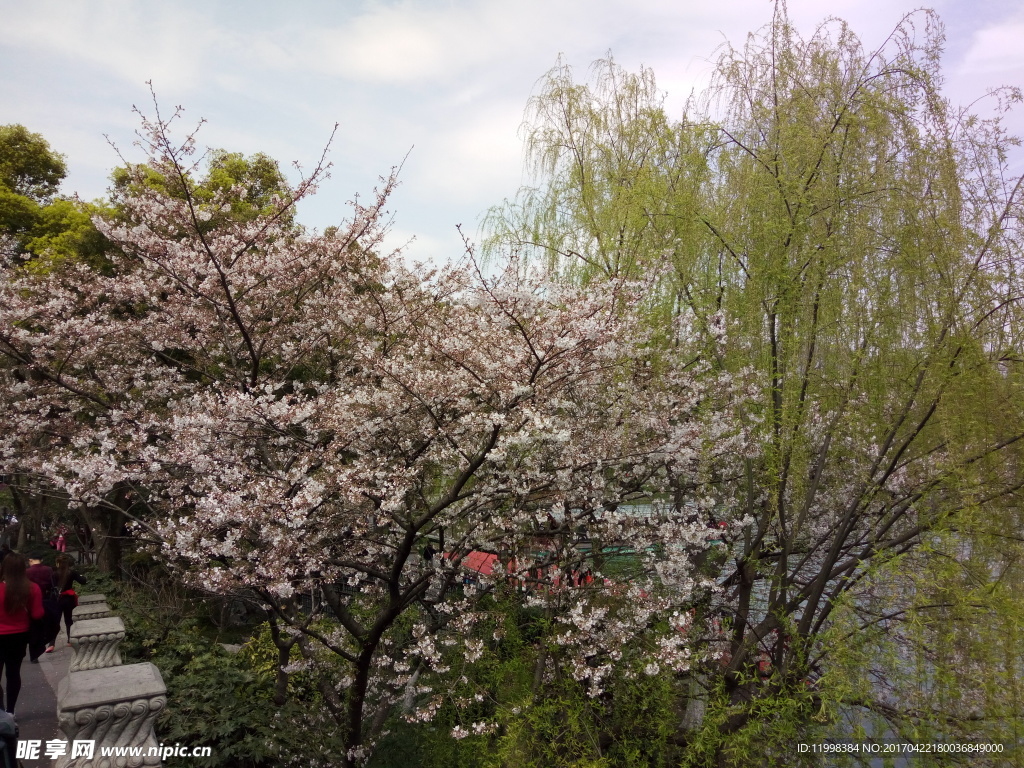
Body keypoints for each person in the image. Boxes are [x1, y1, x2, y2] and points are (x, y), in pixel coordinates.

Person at [0, 554, 44, 716]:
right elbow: (38, 614)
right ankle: (10, 711)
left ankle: (0, 711)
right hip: (19, 636)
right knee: (13, 673)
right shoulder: (32, 588)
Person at [53, 554, 86, 643]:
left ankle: (51, 644)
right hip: (68, 599)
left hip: (57, 599)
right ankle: (69, 639)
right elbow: (83, 581)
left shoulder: (53, 573)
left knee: (55, 621)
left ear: (58, 563)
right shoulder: (72, 572)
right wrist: (82, 575)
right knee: (69, 620)